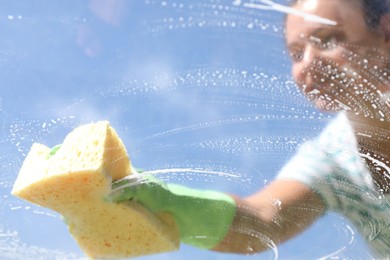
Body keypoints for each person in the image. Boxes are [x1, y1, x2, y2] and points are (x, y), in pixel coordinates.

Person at [109, 0, 390, 257]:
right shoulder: (332, 158)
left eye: (327, 40)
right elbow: (261, 220)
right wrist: (159, 200)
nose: (308, 64)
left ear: (386, 32)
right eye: (296, 54)